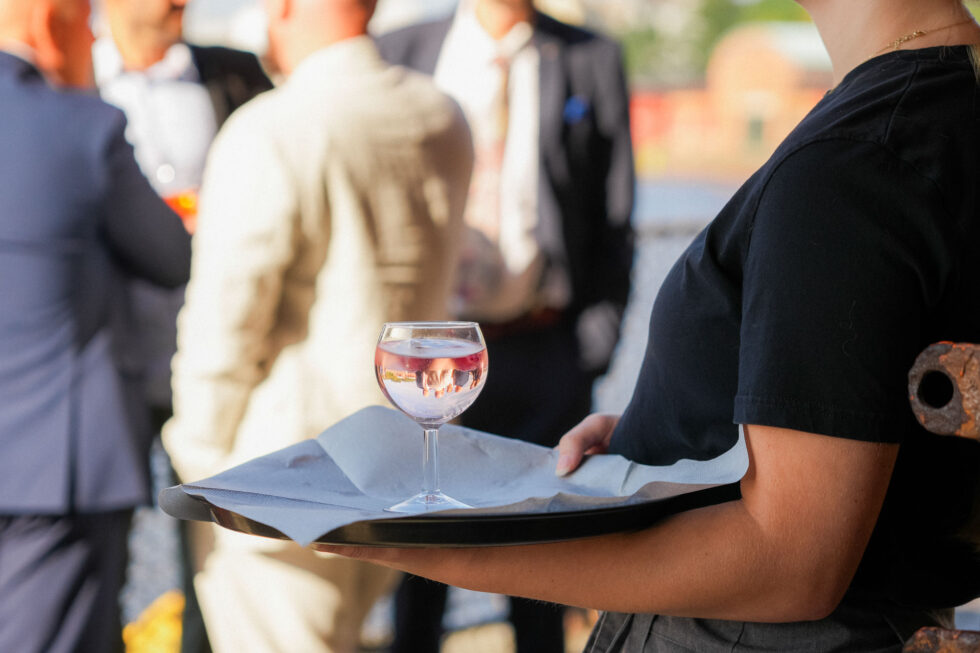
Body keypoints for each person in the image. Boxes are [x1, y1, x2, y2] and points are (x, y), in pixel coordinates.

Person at [318, 0, 980, 651]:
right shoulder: (942, 102)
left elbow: (792, 564)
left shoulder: (853, 159)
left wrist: (419, 541)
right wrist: (671, 422)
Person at [160, 0, 473, 651]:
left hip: (281, 478)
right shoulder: (442, 117)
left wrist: (200, 460)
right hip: (403, 463)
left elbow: (225, 321)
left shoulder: (273, 128)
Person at [376, 1, 634, 650]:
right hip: (426, 358)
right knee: (419, 559)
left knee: (541, 569)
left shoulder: (589, 57)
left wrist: (590, 349)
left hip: (543, 348)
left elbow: (615, 212)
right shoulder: (401, 50)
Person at [0, 0, 192, 650]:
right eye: (85, 23)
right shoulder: (81, 125)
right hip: (54, 469)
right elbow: (170, 256)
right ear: (49, 22)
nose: (92, 38)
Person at [92, 3, 272, 648]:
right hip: (102, 363)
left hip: (214, 360)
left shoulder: (238, 76)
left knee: (213, 549)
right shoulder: (69, 84)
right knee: (99, 553)